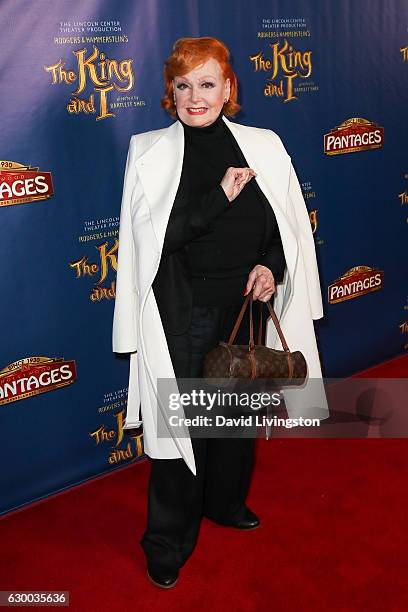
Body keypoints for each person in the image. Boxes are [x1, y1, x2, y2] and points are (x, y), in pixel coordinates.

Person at [112, 36, 327, 589]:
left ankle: (226, 504)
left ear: (228, 88)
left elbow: (284, 228)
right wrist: (219, 199)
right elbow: (156, 242)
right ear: (170, 93)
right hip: (184, 313)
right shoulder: (149, 152)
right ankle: (167, 540)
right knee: (179, 431)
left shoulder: (264, 144)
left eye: (207, 83)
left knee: (233, 423)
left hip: (246, 306)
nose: (195, 96)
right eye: (182, 85)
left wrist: (271, 269)